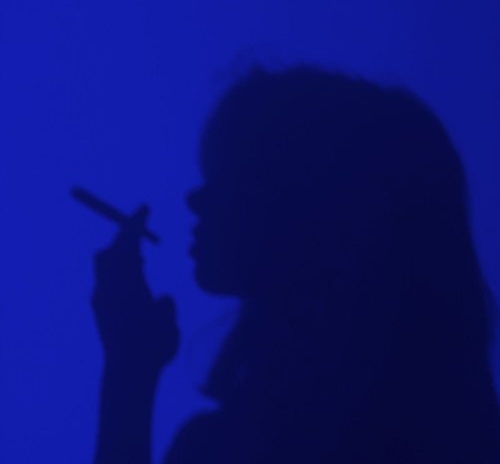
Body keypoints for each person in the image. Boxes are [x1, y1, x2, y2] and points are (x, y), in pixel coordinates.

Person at [91, 67, 500, 463]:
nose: (195, 200)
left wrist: (129, 373)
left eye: (232, 176)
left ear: (309, 205)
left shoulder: (230, 449)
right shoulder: (456, 431)